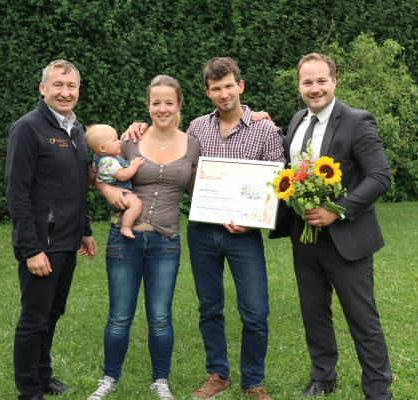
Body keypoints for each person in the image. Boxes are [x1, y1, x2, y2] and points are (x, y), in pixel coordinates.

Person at [124, 57, 285, 400]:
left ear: (240, 86)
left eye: (229, 86)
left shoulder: (265, 129)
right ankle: (217, 374)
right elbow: (171, 148)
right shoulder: (197, 128)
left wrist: (251, 218)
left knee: (255, 310)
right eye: (216, 88)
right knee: (209, 306)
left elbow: (277, 183)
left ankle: (253, 381)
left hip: (244, 234)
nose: (223, 93)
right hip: (202, 231)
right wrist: (137, 127)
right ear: (207, 92)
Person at [269, 52, 393, 399]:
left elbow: (380, 177)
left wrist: (336, 210)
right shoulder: (296, 121)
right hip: (304, 237)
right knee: (313, 312)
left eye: (321, 80)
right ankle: (323, 377)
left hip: (346, 238)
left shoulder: (357, 121)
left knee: (362, 318)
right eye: (307, 82)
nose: (315, 88)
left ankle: (378, 390)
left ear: (334, 81)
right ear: (299, 85)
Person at [88, 75, 200, 400]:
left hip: (167, 241)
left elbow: (200, 187)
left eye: (168, 102)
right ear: (148, 105)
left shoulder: (192, 143)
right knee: (120, 314)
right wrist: (109, 193)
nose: (162, 108)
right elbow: (99, 174)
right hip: (125, 240)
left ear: (179, 104)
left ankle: (160, 381)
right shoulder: (129, 140)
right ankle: (109, 379)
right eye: (155, 102)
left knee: (161, 316)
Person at [5, 59, 96, 400]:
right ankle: (29, 391)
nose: (65, 92)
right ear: (43, 89)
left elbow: (75, 186)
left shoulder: (77, 130)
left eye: (71, 86)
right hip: (41, 245)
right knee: (34, 319)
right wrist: (31, 249)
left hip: (66, 242)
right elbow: (17, 192)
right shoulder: (27, 129)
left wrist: (84, 230)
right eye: (57, 85)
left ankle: (43, 377)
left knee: (52, 313)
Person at [86, 123, 145, 239]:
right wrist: (134, 165)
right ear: (102, 148)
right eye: (115, 140)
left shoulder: (102, 156)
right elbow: (123, 175)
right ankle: (126, 227)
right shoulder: (108, 161)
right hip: (119, 193)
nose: (119, 142)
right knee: (136, 205)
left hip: (117, 191)